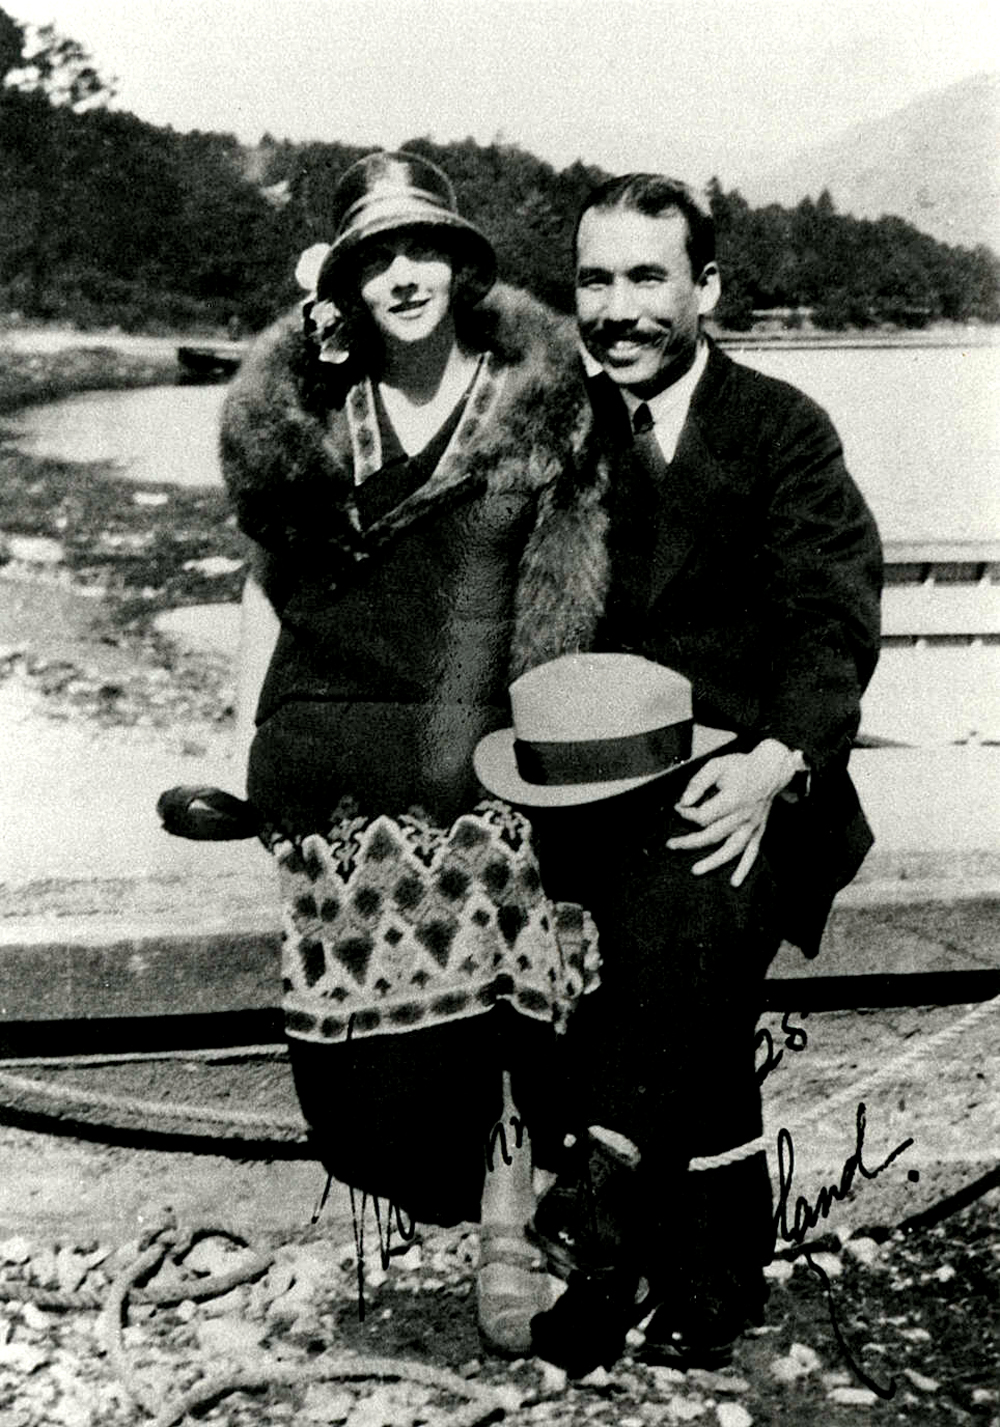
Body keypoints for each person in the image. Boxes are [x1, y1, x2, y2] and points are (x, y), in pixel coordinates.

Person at [477, 173, 883, 1375]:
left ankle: (607, 1217)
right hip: (592, 784)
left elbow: (832, 619)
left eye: (647, 277)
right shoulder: (552, 431)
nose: (619, 309)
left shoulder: (779, 428)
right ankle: (708, 1264)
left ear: (704, 287)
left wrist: (773, 763)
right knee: (644, 915)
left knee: (687, 902)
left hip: (757, 774)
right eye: (595, 280)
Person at [217, 150, 600, 1354]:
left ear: (460, 265)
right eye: (374, 258)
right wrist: (245, 743)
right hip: (334, 727)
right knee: (368, 1048)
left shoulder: (535, 402)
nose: (402, 276)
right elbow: (268, 587)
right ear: (343, 286)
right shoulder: (321, 419)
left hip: (478, 728)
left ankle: (507, 1219)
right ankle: (443, 1177)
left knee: (504, 875)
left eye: (421, 248)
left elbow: (577, 584)